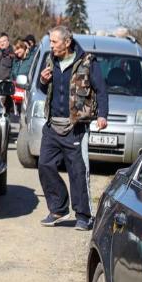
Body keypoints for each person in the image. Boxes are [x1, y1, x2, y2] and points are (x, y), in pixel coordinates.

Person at [37, 25, 108, 231]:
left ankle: (84, 216)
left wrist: (102, 115)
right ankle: (58, 208)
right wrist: (42, 80)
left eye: (54, 42)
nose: (51, 46)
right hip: (52, 126)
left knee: (78, 171)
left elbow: (101, 90)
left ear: (67, 42)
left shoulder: (87, 62)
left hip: (75, 126)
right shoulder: (50, 60)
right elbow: (43, 89)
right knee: (45, 165)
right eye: (50, 42)